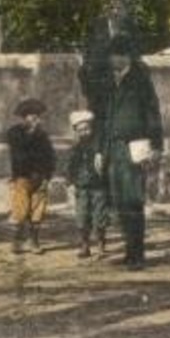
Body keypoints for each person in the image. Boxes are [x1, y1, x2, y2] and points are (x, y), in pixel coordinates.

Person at [100, 35, 163, 269]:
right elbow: (106, 119)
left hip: (135, 147)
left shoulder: (140, 80)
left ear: (126, 57)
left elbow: (153, 114)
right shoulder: (110, 82)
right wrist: (102, 150)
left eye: (117, 54)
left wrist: (156, 146)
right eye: (111, 55)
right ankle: (129, 251)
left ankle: (137, 255)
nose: (112, 59)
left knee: (133, 201)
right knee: (120, 202)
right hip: (115, 147)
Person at [6, 98, 55, 254]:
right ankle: (16, 242)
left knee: (37, 211)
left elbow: (50, 157)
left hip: (39, 178)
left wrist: (48, 176)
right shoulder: (14, 133)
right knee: (20, 210)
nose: (35, 119)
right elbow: (20, 153)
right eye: (32, 116)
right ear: (24, 117)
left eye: (37, 116)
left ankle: (34, 241)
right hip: (22, 178)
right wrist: (33, 133)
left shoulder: (43, 136)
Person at [64, 109, 107, 257]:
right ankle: (85, 246)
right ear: (76, 131)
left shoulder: (100, 145)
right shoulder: (75, 148)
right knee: (82, 217)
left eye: (87, 129)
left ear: (91, 128)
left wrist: (101, 156)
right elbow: (70, 166)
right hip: (81, 187)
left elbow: (106, 160)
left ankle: (101, 246)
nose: (84, 132)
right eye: (80, 130)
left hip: (99, 186)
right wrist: (69, 182)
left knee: (99, 217)